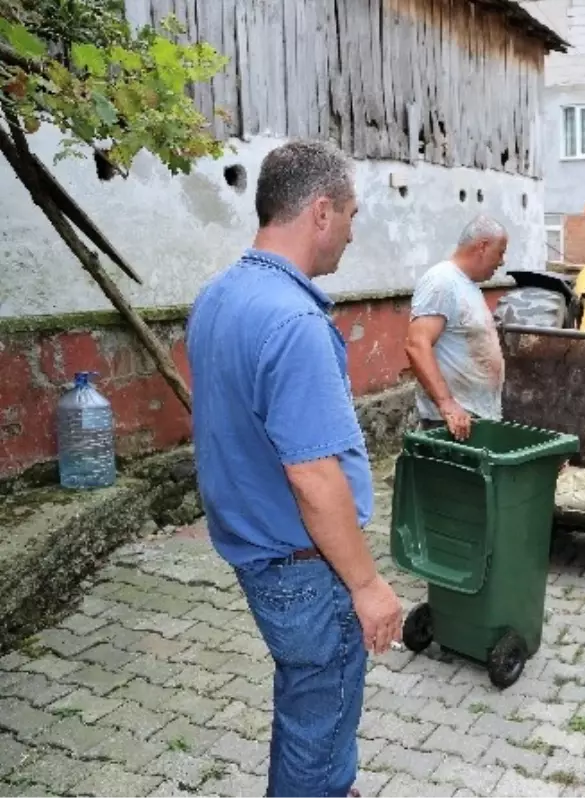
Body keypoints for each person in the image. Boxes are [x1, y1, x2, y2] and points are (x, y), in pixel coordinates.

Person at [186, 139, 402, 798]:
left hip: (257, 554)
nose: (352, 231)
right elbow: (314, 477)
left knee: (307, 705)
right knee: (320, 719)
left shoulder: (219, 296)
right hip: (306, 569)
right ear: (319, 213)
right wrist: (367, 587)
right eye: (351, 214)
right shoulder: (295, 322)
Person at [404, 216, 508, 440]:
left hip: (472, 418)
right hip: (452, 422)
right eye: (500, 252)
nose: (502, 262)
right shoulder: (442, 282)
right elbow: (417, 345)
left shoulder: (467, 285)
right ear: (482, 246)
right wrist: (447, 404)